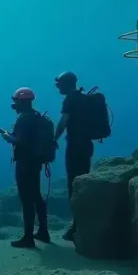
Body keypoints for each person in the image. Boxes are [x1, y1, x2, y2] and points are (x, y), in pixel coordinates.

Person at [0, 87, 51, 248]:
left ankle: (28, 237)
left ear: (20, 101)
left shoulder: (23, 119)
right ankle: (43, 231)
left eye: (15, 101)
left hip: (24, 163)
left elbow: (19, 141)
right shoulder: (37, 117)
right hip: (36, 163)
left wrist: (7, 136)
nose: (14, 105)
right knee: (37, 196)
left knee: (26, 199)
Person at [53, 71, 94, 242]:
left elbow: (63, 122)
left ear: (67, 83)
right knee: (82, 181)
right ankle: (83, 223)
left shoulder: (70, 99)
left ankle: (77, 227)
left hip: (75, 146)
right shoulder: (84, 97)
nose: (57, 87)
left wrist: (53, 139)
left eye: (59, 84)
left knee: (74, 184)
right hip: (86, 145)